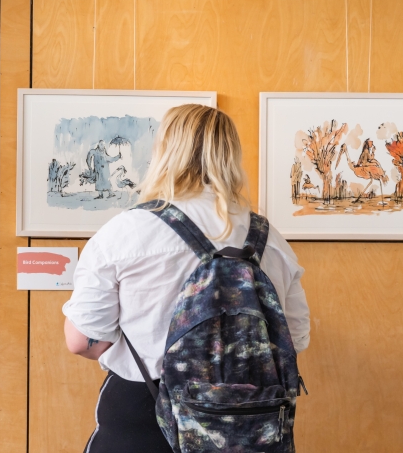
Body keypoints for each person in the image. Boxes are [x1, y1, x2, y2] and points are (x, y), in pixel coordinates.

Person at [63, 104, 310, 452]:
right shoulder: (271, 240)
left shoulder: (128, 231)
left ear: (164, 151)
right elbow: (294, 339)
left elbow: (83, 340)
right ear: (230, 156)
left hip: (144, 417)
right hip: (249, 421)